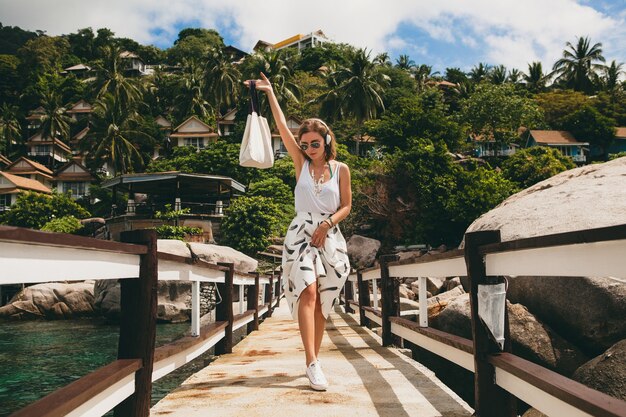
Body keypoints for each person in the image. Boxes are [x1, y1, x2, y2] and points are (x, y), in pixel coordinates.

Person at [245, 73, 352, 391]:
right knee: (307, 290)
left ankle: (314, 358)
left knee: (322, 300)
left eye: (314, 144)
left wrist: (327, 224)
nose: (309, 149)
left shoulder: (341, 169)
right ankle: (312, 362)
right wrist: (270, 94)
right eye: (305, 145)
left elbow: (346, 206)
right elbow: (280, 127)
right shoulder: (301, 164)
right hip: (301, 235)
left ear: (327, 140)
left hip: (329, 234)